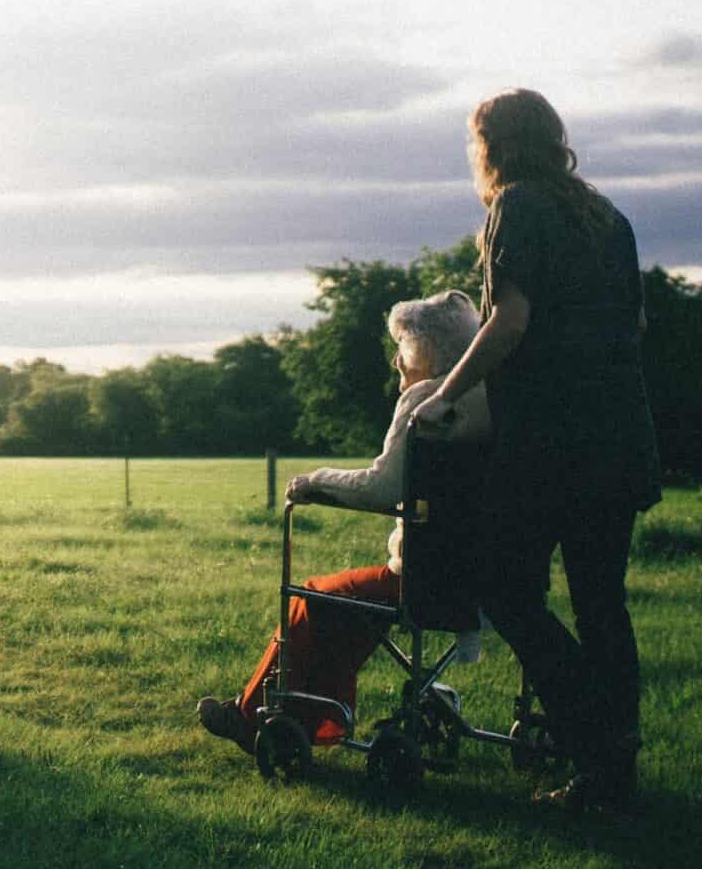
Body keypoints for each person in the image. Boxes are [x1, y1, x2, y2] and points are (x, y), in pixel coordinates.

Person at [412, 88, 660, 812]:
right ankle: (614, 768)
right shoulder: (607, 217)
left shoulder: (515, 207)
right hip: (620, 436)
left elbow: (509, 320)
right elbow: (635, 325)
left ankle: (593, 736)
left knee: (504, 588)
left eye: (475, 142)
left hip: (553, 445)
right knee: (601, 603)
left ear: (493, 145)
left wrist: (445, 394)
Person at [196, 290, 490, 755]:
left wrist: (315, 481)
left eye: (402, 346)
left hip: (425, 578)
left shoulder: (425, 399)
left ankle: (252, 716)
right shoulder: (488, 399)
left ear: (428, 350)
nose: (395, 359)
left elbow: (381, 487)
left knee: (313, 597)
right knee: (346, 605)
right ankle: (307, 718)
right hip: (484, 577)